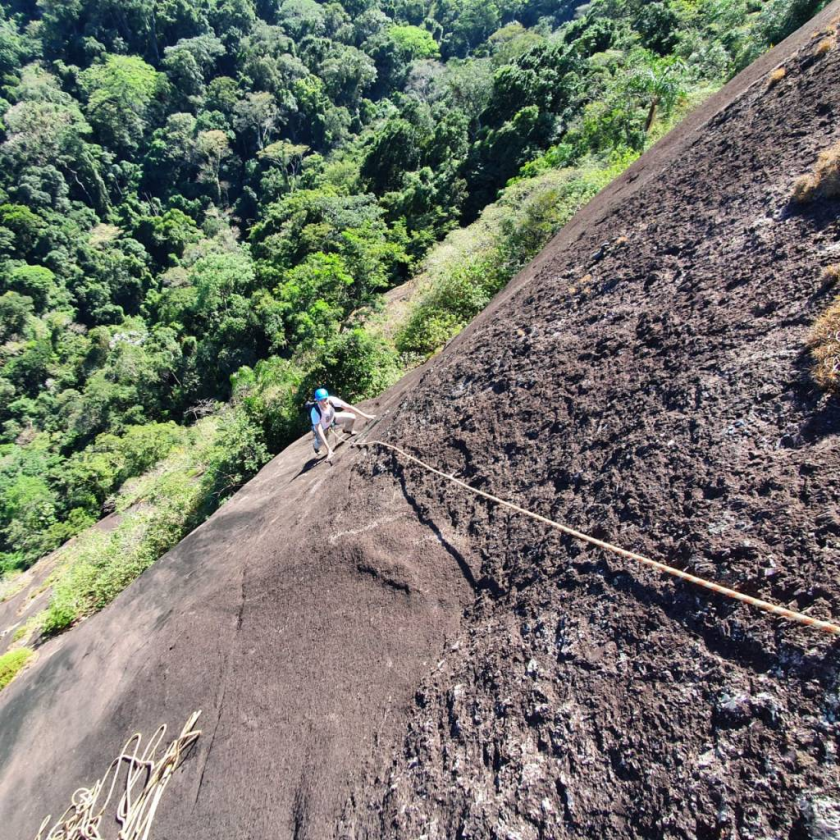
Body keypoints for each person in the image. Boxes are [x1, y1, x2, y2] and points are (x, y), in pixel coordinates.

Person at [310, 387, 376, 460]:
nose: (324, 402)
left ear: (328, 397)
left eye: (325, 399)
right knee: (320, 442)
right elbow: (319, 430)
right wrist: (328, 449)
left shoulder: (332, 400)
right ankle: (315, 447)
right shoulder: (315, 412)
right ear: (317, 401)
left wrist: (365, 415)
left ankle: (348, 429)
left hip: (333, 419)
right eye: (321, 400)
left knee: (352, 417)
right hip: (322, 429)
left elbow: (348, 407)